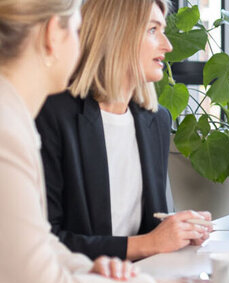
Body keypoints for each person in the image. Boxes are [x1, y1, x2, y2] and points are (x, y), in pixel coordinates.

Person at [0, 0, 210, 283]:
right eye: (75, 28)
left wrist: (86, 270)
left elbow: (40, 245)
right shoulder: (22, 122)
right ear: (52, 35)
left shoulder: (155, 120)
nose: (166, 45)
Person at [35, 0, 212, 261]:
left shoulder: (157, 121)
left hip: (139, 280)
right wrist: (150, 243)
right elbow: (45, 242)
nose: (168, 46)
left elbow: (148, 230)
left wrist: (178, 230)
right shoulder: (51, 114)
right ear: (117, 33)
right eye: (153, 30)